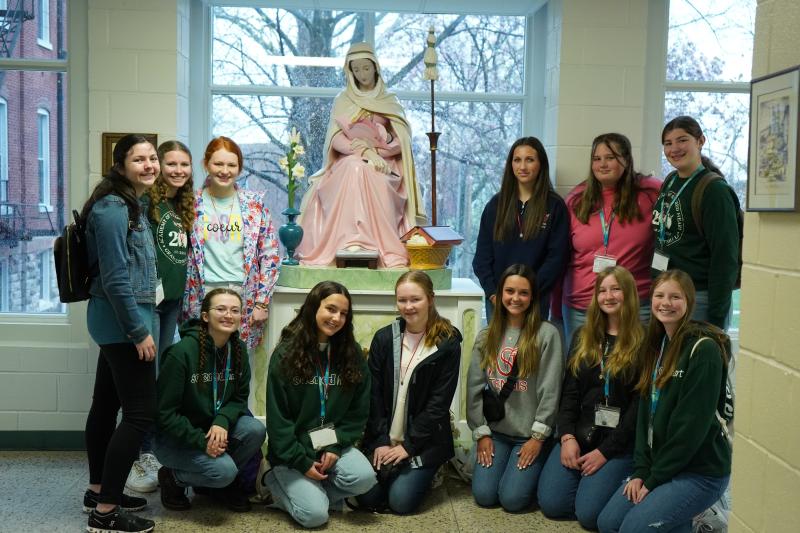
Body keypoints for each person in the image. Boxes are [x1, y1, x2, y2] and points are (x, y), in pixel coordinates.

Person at [597, 270, 731, 533]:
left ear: (689, 302)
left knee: (631, 530)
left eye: (675, 297)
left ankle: (703, 514)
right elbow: (645, 417)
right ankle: (684, 519)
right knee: (607, 523)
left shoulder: (703, 350)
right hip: (662, 464)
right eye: (659, 296)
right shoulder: (656, 346)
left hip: (699, 472)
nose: (665, 303)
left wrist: (654, 479)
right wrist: (639, 472)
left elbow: (689, 431)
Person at [81, 134, 159, 533]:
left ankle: (97, 491)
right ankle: (106, 512)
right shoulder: (114, 209)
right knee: (140, 415)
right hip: (122, 324)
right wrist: (138, 331)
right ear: (121, 165)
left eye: (152, 157)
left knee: (105, 404)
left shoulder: (129, 203)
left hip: (115, 323)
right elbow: (114, 278)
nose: (149, 165)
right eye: (139, 159)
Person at [297, 42, 426, 268]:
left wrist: (381, 149)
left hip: (385, 164)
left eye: (366, 68)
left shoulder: (390, 101)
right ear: (350, 71)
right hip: (350, 160)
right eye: (356, 70)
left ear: (375, 67)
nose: (362, 74)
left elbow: (402, 141)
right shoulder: (343, 100)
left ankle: (384, 246)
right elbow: (336, 139)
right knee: (354, 167)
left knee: (370, 173)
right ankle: (351, 239)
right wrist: (364, 151)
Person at [264, 281, 376, 528]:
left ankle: (313, 493)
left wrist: (336, 446)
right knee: (315, 517)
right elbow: (278, 420)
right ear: (314, 307)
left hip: (330, 441)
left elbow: (358, 411)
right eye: (331, 309)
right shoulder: (286, 354)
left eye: (343, 313)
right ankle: (272, 480)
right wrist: (301, 462)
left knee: (365, 479)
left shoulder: (351, 353)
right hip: (292, 451)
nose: (336, 318)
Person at [538, 266, 643, 530]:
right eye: (603, 290)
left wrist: (604, 453)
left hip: (617, 444)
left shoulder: (644, 342)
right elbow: (569, 393)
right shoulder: (582, 337)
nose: (608, 296)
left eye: (616, 289)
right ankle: (590, 484)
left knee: (588, 515)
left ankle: (611, 481)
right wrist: (567, 437)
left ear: (628, 294)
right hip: (582, 434)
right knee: (552, 505)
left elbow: (638, 410)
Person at [357, 271, 462, 514]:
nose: (408, 306)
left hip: (423, 441)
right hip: (385, 437)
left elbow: (438, 404)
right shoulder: (384, 338)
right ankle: (394, 470)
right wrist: (381, 441)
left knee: (400, 502)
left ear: (430, 299)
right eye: (402, 300)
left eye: (415, 299)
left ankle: (424, 471)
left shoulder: (447, 343)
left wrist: (409, 446)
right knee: (368, 497)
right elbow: (373, 394)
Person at [125, 140, 196, 494]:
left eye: (185, 164)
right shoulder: (144, 201)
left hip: (172, 305)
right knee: (145, 382)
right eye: (171, 164)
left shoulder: (180, 203)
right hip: (147, 305)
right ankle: (140, 455)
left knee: (162, 381)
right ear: (159, 165)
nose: (178, 170)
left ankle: (157, 451)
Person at [154, 288, 265, 513]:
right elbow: (164, 414)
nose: (228, 315)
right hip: (175, 439)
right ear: (205, 316)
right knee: (224, 471)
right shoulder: (181, 353)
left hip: (212, 430)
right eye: (221, 309)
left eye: (235, 310)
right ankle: (173, 478)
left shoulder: (239, 350)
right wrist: (201, 441)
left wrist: (222, 420)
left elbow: (239, 398)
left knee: (254, 429)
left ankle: (218, 485)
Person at [467, 264, 564, 512]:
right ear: (499, 295)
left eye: (523, 292)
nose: (515, 298)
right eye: (510, 291)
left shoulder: (547, 334)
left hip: (528, 436)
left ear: (532, 297)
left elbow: (550, 391)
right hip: (497, 432)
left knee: (512, 500)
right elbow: (474, 388)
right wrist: (481, 433)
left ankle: (537, 471)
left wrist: (538, 438)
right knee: (485, 495)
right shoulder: (486, 335)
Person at [182, 136, 280, 351]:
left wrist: (262, 302)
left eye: (231, 165)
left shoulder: (254, 205)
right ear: (206, 164)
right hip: (203, 295)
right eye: (218, 164)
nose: (224, 170)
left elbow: (270, 254)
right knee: (201, 362)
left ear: (239, 167)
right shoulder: (190, 203)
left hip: (243, 296)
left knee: (239, 363)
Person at [562, 133, 661, 344]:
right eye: (596, 159)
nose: (602, 164)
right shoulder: (576, 199)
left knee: (635, 372)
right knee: (583, 371)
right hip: (582, 305)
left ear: (626, 159)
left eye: (610, 157)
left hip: (635, 304)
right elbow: (560, 255)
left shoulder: (650, 192)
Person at [653, 116, 739, 330]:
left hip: (699, 298)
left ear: (700, 141)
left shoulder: (714, 191)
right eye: (668, 143)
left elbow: (724, 257)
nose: (674, 149)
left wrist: (716, 317)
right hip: (668, 293)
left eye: (682, 140)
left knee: (696, 361)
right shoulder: (671, 180)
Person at [473, 137, 569, 320]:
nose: (522, 167)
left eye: (530, 160)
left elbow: (557, 258)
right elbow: (482, 258)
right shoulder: (496, 205)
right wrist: (493, 293)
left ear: (541, 164)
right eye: (517, 160)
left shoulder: (555, 206)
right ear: (510, 165)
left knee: (530, 349)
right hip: (499, 300)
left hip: (535, 300)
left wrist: (529, 293)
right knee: (498, 349)